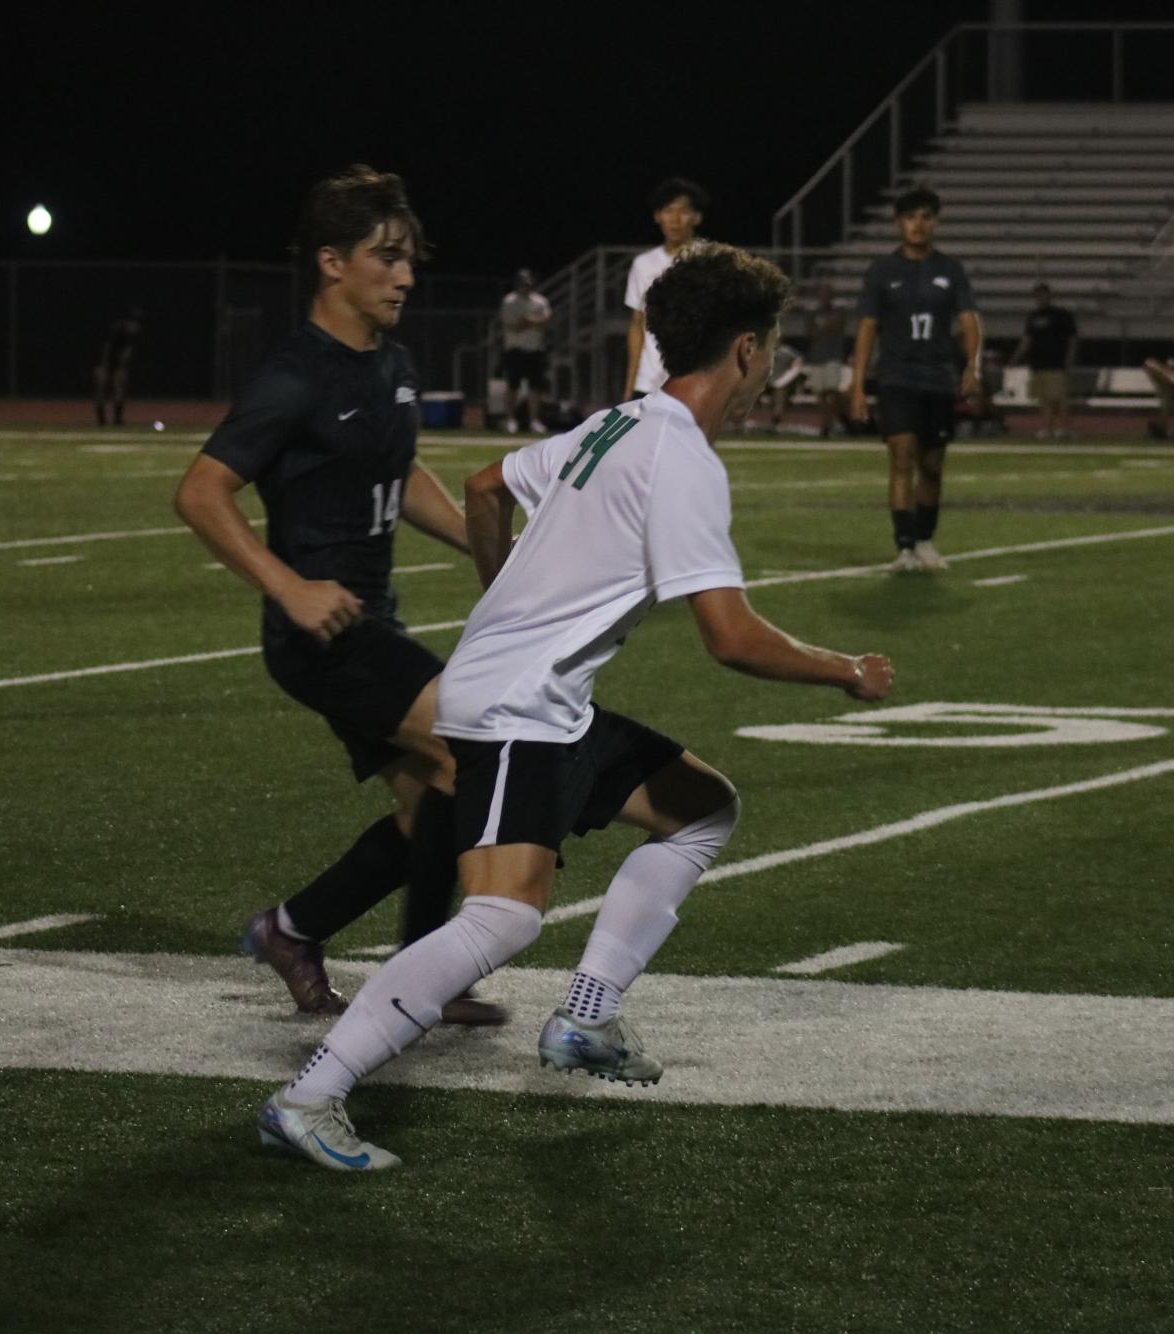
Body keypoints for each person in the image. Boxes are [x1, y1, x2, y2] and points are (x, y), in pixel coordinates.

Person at [256, 243, 896, 1171]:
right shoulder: (680, 458)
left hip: (535, 699)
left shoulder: (619, 422)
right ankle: (309, 1096)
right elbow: (730, 637)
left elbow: (484, 486)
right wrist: (846, 670)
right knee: (504, 919)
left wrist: (505, 598)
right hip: (518, 708)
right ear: (749, 351)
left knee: (700, 810)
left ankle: (586, 1018)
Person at [173, 167, 501, 1026]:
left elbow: (400, 476)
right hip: (317, 637)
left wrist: (492, 542)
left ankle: (297, 931)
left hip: (372, 619)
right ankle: (417, 975)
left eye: (409, 259)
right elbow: (201, 493)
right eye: (385, 258)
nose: (405, 275)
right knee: (466, 753)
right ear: (330, 263)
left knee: (434, 794)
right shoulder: (293, 377)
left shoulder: (391, 362)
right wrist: (287, 585)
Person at [847, 185, 982, 572]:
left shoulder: (950, 269)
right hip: (896, 377)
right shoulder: (882, 271)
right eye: (911, 217)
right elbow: (867, 329)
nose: (918, 225)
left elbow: (969, 320)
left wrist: (972, 366)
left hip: (938, 379)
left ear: (935, 222)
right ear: (899, 223)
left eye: (925, 217)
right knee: (901, 457)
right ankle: (904, 546)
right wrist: (858, 385)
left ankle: (925, 540)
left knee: (933, 465)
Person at [622, 177, 707, 400]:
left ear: (697, 217)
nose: (675, 219)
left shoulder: (709, 261)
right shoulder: (643, 264)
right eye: (668, 211)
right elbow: (637, 324)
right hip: (648, 383)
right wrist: (629, 387)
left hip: (694, 383)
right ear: (657, 216)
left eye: (684, 211)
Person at [1008, 281, 1078, 439]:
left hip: (1056, 363)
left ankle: (1064, 428)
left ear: (1049, 295)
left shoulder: (1062, 315)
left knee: (1058, 398)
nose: (1040, 298)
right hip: (1037, 364)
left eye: (1043, 294)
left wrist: (1069, 360)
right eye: (1037, 295)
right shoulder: (1033, 317)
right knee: (1043, 399)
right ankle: (1047, 428)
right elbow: (1027, 340)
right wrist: (1015, 358)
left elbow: (1072, 340)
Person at [497, 268, 550, 434]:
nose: (525, 287)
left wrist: (527, 320)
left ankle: (534, 420)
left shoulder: (540, 301)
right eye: (522, 284)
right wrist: (532, 320)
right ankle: (511, 420)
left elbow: (546, 321)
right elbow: (514, 326)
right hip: (515, 349)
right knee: (513, 386)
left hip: (534, 349)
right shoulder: (510, 301)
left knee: (536, 387)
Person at [799, 280, 849, 437]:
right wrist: (826, 326)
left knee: (832, 392)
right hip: (817, 357)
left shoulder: (838, 310)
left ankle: (840, 419)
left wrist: (821, 328)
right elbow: (809, 332)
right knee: (820, 394)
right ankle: (825, 426)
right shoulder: (813, 312)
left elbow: (838, 325)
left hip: (832, 356)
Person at [93, 306, 143, 427]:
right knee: (102, 386)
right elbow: (107, 350)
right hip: (105, 363)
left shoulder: (131, 337)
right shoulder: (114, 333)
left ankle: (117, 419)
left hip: (116, 365)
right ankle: (101, 419)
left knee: (119, 386)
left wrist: (121, 368)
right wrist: (105, 367)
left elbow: (126, 356)